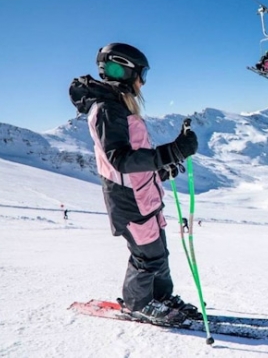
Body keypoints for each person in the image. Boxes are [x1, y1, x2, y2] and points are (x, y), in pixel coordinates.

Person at [69, 43, 200, 325]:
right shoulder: (107, 109)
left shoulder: (118, 106)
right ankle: (137, 303)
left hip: (145, 197)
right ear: (127, 71)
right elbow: (119, 160)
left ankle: (160, 297)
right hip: (129, 203)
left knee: (159, 255)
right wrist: (172, 152)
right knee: (147, 258)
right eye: (142, 74)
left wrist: (162, 170)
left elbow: (134, 162)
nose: (143, 81)